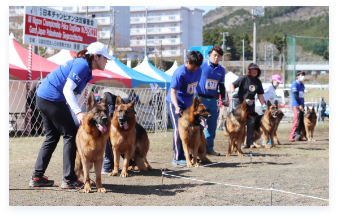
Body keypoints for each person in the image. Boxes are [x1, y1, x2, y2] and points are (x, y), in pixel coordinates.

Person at [29, 42, 114, 189]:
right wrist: (78, 112)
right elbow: (67, 90)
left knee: (53, 136)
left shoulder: (85, 68)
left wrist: (79, 111)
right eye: (104, 58)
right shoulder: (82, 66)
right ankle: (69, 179)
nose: (106, 61)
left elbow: (73, 93)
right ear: (95, 57)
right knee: (70, 134)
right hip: (51, 98)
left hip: (43, 96)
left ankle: (37, 177)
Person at [166, 50, 203, 166]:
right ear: (187, 61)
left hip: (188, 104)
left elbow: (192, 89)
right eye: (193, 66)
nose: (195, 68)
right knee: (178, 129)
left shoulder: (199, 70)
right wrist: (177, 106)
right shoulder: (179, 73)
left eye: (197, 66)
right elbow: (173, 93)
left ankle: (190, 155)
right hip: (175, 102)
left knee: (192, 129)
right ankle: (177, 157)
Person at [195, 46, 228, 156]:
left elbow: (222, 86)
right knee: (198, 125)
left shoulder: (221, 70)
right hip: (200, 99)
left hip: (213, 100)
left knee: (212, 125)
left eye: (219, 56)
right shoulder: (201, 66)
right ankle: (197, 149)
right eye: (215, 55)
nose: (216, 57)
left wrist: (223, 99)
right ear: (209, 55)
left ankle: (209, 148)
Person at [229, 63, 266, 148]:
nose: (254, 71)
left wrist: (264, 105)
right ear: (248, 71)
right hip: (240, 105)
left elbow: (260, 94)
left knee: (251, 123)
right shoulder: (243, 78)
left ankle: (250, 142)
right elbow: (232, 85)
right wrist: (233, 92)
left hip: (250, 106)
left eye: (256, 70)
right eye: (252, 69)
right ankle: (239, 142)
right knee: (240, 124)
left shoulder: (258, 81)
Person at [255, 74, 283, 145]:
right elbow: (259, 93)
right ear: (273, 80)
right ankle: (265, 141)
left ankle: (267, 140)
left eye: (279, 83)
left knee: (268, 125)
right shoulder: (269, 86)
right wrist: (263, 104)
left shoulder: (273, 88)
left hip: (267, 109)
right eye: (278, 82)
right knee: (263, 125)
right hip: (261, 107)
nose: (278, 84)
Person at [289, 71, 306, 142]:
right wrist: (299, 105)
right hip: (296, 105)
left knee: (301, 121)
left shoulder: (303, 85)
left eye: (303, 75)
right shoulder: (294, 84)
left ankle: (298, 136)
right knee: (296, 120)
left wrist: (302, 105)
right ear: (297, 76)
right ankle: (291, 136)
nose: (303, 76)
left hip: (302, 105)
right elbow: (295, 95)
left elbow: (301, 95)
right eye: (301, 75)